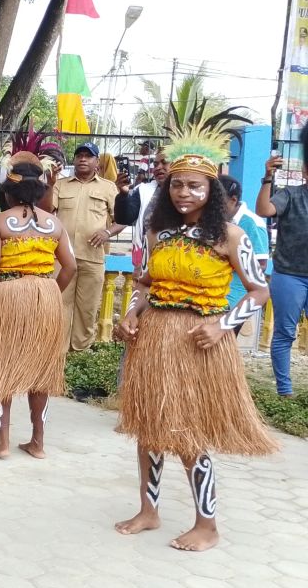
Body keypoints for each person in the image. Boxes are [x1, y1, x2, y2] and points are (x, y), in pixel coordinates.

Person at [114, 112, 278, 552]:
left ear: (212, 190)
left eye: (194, 185)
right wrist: (130, 315)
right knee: (148, 426)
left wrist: (222, 325)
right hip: (154, 339)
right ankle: (149, 510)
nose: (183, 193)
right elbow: (146, 285)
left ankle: (207, 524)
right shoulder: (157, 232)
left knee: (188, 431)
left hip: (199, 342)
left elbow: (259, 292)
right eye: (176, 184)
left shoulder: (230, 234)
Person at [0, 158, 76, 458]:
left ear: (9, 192)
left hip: (9, 295)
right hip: (44, 295)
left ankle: (2, 443)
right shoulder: (55, 224)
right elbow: (70, 266)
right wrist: (51, 291)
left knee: (2, 365)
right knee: (42, 370)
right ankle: (38, 442)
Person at [53, 143, 123, 351]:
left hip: (93, 257)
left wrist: (107, 232)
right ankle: (59, 353)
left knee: (88, 308)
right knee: (60, 304)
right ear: (74, 160)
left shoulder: (108, 188)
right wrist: (48, 185)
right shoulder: (60, 185)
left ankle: (80, 352)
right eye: (79, 155)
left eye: (88, 156)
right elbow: (47, 210)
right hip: (62, 258)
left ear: (96, 162)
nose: (83, 159)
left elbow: (122, 219)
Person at [257, 144, 307, 397]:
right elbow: (264, 211)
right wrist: (267, 178)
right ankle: (284, 391)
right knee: (285, 332)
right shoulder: (291, 195)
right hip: (290, 275)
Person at [220, 175, 269, 335]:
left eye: (218, 202)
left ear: (233, 200)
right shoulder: (218, 221)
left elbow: (261, 264)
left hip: (235, 295)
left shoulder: (251, 222)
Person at [115, 150, 169, 273]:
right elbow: (125, 218)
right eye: (155, 165)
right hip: (146, 264)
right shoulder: (143, 190)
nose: (158, 168)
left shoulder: (189, 195)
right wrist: (123, 194)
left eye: (165, 163)